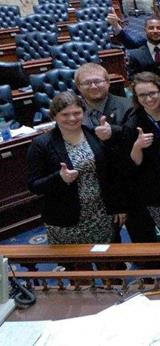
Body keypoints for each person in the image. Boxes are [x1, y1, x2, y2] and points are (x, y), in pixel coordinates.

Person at [27, 92, 125, 245]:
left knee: (109, 262)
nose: (72, 118)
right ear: (54, 117)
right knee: (78, 265)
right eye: (65, 114)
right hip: (65, 219)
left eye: (77, 113)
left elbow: (112, 174)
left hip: (101, 214)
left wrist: (118, 206)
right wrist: (59, 178)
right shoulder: (41, 144)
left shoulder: (94, 134)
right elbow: (34, 185)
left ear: (83, 113)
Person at [124, 72, 160, 242]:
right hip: (155, 189)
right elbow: (133, 165)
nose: (148, 99)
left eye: (152, 93)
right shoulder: (133, 123)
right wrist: (137, 146)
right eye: (142, 95)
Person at [75, 62, 134, 141]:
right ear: (79, 87)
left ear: (108, 83)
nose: (93, 86)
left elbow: (134, 136)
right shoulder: (72, 112)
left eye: (97, 81)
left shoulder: (129, 106)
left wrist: (112, 132)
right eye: (87, 83)